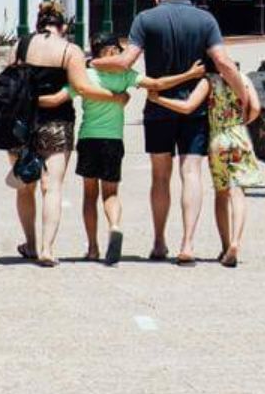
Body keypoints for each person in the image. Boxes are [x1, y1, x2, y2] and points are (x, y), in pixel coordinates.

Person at [92, 0, 251, 266]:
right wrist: (245, 98)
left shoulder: (145, 19)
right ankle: (187, 243)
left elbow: (125, 61)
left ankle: (159, 241)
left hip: (158, 107)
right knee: (191, 173)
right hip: (196, 109)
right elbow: (224, 64)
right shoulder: (205, 19)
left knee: (160, 177)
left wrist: (93, 62)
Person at [10, 1, 125, 267]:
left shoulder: (20, 45)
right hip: (56, 124)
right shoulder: (69, 50)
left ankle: (29, 243)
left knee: (25, 187)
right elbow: (83, 87)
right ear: (63, 26)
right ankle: (47, 248)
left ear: (39, 22)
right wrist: (116, 96)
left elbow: (11, 81)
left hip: (22, 122)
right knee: (52, 186)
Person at [74, 35, 203, 264]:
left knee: (89, 195)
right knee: (111, 193)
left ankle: (93, 248)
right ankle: (114, 225)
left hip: (88, 138)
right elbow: (157, 84)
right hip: (113, 140)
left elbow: (67, 93)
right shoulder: (125, 75)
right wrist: (189, 75)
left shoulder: (87, 73)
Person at [147, 68, 261, 267]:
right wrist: (240, 124)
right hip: (239, 136)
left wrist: (158, 100)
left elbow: (188, 106)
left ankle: (226, 246)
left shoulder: (210, 82)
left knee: (221, 194)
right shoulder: (243, 79)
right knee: (238, 192)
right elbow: (256, 108)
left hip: (218, 139)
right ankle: (235, 242)